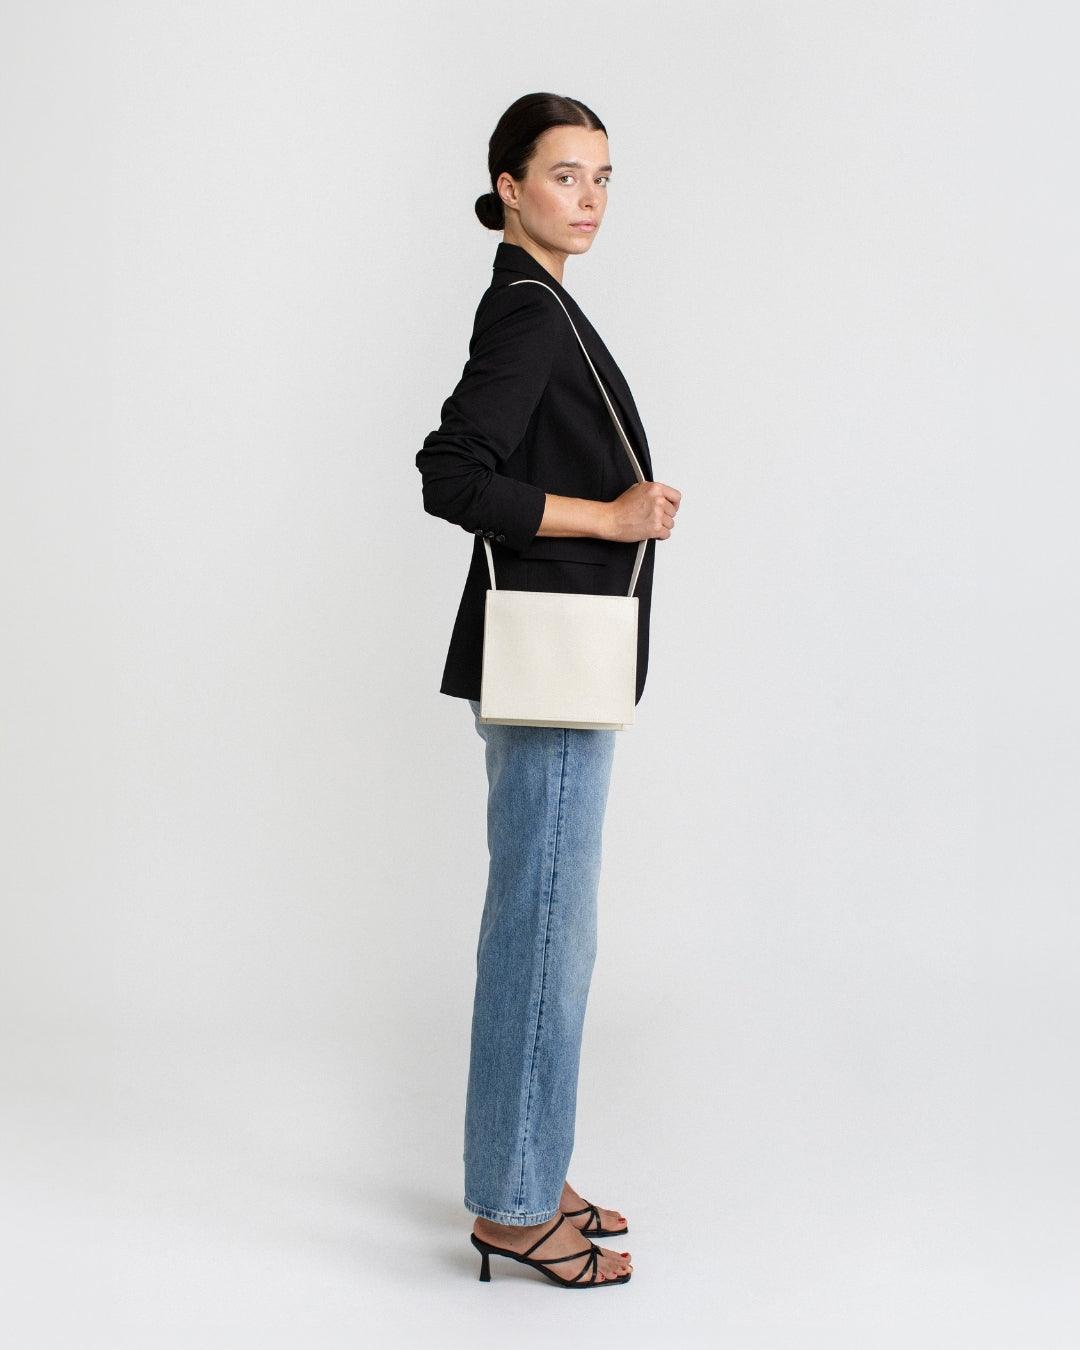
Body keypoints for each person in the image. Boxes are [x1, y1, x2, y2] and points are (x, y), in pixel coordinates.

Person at [415, 92, 681, 1289]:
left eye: (603, 177)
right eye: (566, 175)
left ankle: (529, 1166)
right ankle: (517, 1209)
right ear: (510, 187)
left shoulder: (541, 301)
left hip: (557, 658)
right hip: (554, 661)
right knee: (544, 928)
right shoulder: (527, 310)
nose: (589, 198)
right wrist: (609, 519)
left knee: (547, 921)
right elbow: (452, 475)